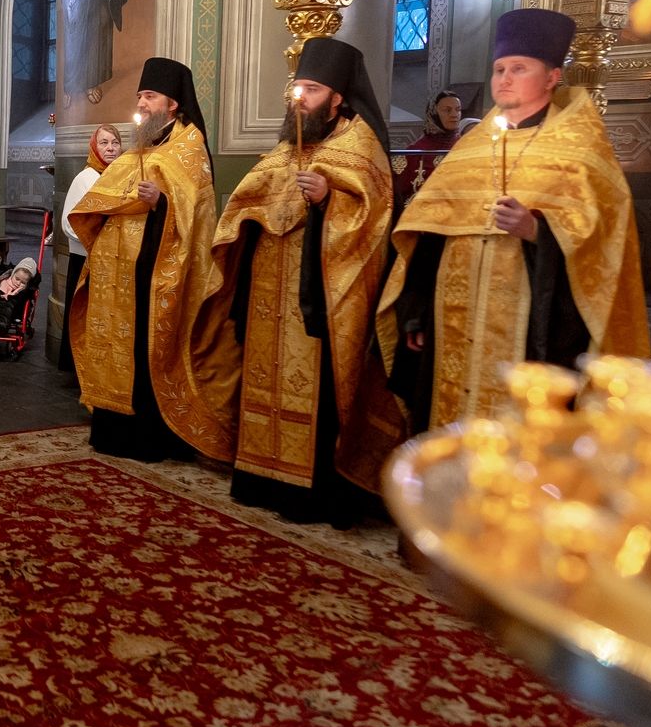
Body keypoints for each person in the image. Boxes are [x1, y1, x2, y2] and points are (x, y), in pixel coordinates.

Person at [380, 8, 650, 433]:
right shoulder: (470, 147)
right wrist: (416, 314)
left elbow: (604, 251)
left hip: (533, 327)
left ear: (552, 77)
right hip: (453, 322)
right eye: (499, 69)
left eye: (519, 68)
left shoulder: (580, 148)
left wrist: (537, 231)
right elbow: (430, 236)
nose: (504, 79)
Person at [205, 37, 403, 524]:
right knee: (263, 378)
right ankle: (259, 478)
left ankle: (308, 491)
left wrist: (328, 200)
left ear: (337, 97)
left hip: (321, 295)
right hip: (267, 292)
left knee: (314, 387)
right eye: (298, 88)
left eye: (312, 90)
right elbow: (251, 201)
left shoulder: (360, 146)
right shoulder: (285, 148)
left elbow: (373, 220)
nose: (301, 98)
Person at [67, 59, 237, 464]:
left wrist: (161, 202)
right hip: (117, 273)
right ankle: (112, 429)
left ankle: (148, 436)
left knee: (146, 347)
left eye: (149, 96)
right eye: (140, 96)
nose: (141, 103)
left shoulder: (190, 147)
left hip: (154, 272)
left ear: (172, 103)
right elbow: (103, 200)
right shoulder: (140, 148)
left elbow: (196, 216)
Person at [53, 124, 121, 374]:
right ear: (94, 147)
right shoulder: (85, 178)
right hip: (85, 259)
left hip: (111, 261)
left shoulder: (122, 176)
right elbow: (69, 222)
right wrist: (99, 242)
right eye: (104, 143)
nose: (110, 148)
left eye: (115, 142)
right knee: (85, 316)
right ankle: (80, 367)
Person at [395, 89, 472, 209]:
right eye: (447, 110)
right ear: (434, 113)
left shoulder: (467, 147)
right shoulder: (416, 151)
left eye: (458, 109)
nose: (454, 114)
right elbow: (403, 193)